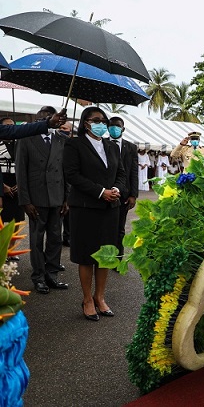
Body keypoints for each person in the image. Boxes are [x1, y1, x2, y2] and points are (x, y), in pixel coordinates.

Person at [63, 106, 126, 321]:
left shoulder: (111, 146)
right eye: (96, 119)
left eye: (103, 120)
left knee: (106, 255)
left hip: (110, 209)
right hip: (85, 208)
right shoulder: (74, 144)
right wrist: (101, 192)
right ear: (85, 122)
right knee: (87, 256)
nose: (100, 123)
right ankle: (87, 299)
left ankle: (100, 297)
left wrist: (117, 189)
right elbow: (72, 174)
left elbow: (121, 173)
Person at [15, 110, 70, 294]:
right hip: (36, 199)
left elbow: (65, 173)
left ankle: (52, 274)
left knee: (55, 238)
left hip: (57, 197)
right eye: (43, 119)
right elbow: (20, 172)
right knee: (37, 239)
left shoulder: (62, 140)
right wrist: (25, 201)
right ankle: (38, 277)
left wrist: (66, 199)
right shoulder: (26, 139)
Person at [108, 117, 139, 259]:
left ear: (123, 129)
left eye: (117, 126)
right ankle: (105, 256)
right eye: (111, 126)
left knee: (120, 228)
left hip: (124, 195)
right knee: (105, 227)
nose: (114, 128)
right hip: (105, 193)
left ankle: (118, 257)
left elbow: (133, 171)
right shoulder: (102, 144)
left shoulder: (131, 147)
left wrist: (133, 195)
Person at [0, 118, 25, 228]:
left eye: (12, 126)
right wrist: (2, 187)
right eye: (7, 126)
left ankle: (11, 245)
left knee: (16, 218)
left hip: (16, 183)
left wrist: (21, 184)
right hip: (2, 181)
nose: (10, 128)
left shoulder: (20, 144)